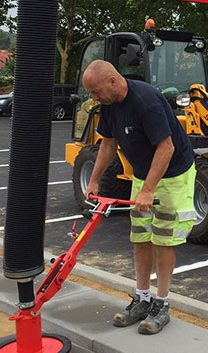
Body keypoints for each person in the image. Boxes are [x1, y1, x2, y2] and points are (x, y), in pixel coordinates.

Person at [82, 60, 196, 335]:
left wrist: (149, 189)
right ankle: (142, 298)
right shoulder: (109, 106)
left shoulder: (147, 101)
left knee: (164, 240)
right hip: (144, 175)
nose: (94, 98)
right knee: (141, 237)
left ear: (112, 80)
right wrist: (95, 179)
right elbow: (108, 144)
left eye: (96, 92)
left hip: (173, 175)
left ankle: (163, 303)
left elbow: (166, 148)